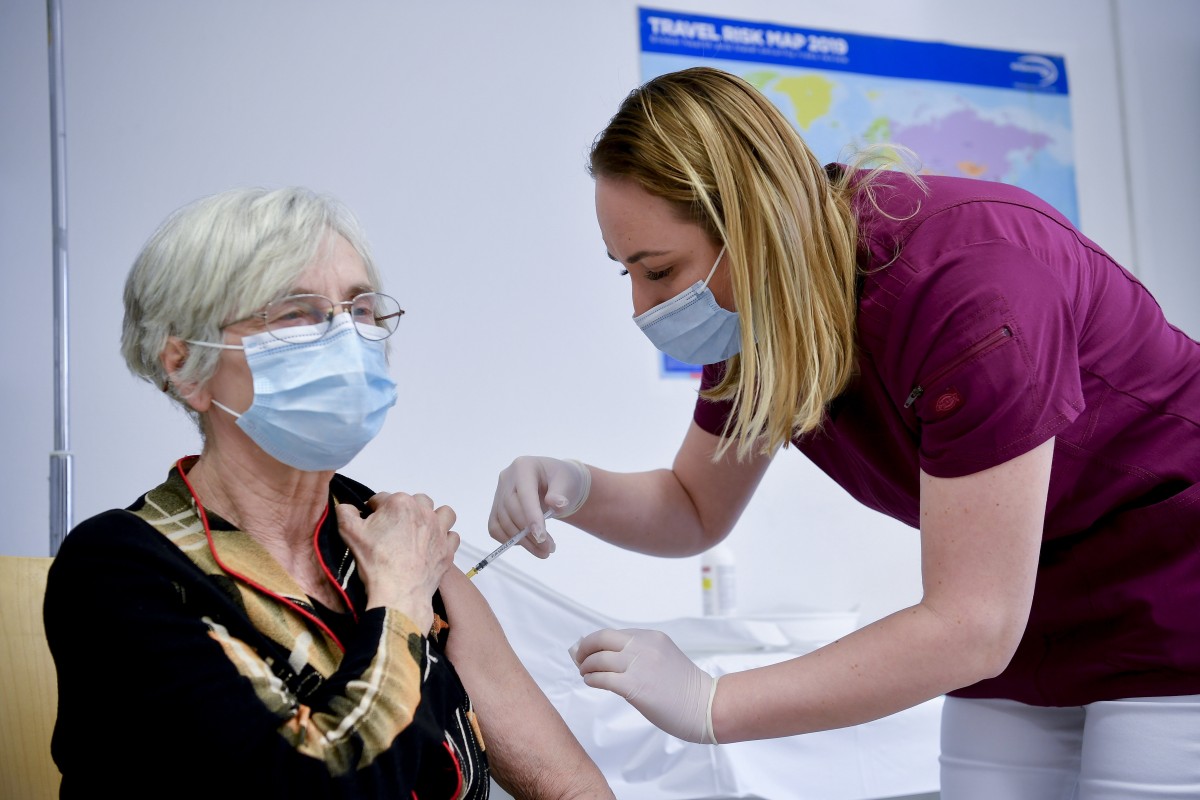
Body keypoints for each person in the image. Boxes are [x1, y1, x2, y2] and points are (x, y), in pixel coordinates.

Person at [487, 67, 1200, 797]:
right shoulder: (763, 318)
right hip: (1022, 617)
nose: (642, 308)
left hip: (1173, 583)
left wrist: (714, 703)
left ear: (755, 228)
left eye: (660, 270)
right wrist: (575, 486)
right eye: (626, 274)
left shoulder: (968, 288)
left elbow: (973, 625)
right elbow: (693, 506)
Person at [44, 187, 614, 800]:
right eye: (296, 313)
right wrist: (399, 600)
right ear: (185, 366)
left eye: (361, 310)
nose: (345, 339)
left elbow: (569, 788)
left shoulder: (385, 531)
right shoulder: (122, 570)